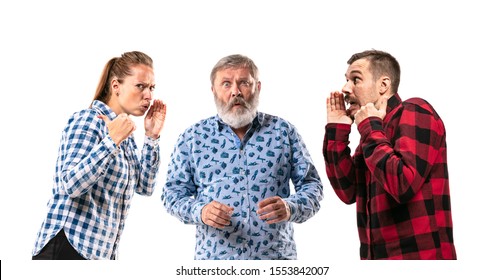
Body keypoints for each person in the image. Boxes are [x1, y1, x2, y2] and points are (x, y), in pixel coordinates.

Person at [161, 54, 323, 260]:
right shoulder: (192, 137)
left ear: (258, 87)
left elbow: (312, 186)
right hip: (215, 263)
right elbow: (172, 194)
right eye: (226, 84)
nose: (235, 91)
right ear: (213, 90)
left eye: (244, 83)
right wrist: (200, 211)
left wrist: (291, 207)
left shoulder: (283, 131)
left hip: (276, 261)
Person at [32, 51, 166, 260]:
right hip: (68, 249)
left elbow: (145, 187)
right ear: (116, 86)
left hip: (98, 256)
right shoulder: (89, 120)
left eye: (151, 88)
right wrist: (111, 142)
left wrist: (152, 137)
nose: (149, 95)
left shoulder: (125, 135)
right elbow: (71, 184)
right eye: (140, 86)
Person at [323, 50, 456, 260]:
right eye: (346, 80)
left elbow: (403, 185)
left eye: (355, 79)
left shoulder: (414, 110)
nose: (345, 88)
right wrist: (336, 132)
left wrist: (369, 128)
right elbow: (347, 192)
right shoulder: (373, 133)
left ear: (383, 85)